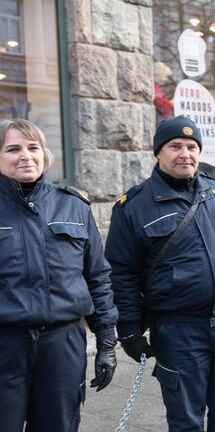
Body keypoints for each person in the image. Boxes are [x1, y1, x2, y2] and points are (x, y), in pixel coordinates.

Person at [105, 115, 215, 431]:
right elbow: (121, 274)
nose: (185, 153)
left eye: (191, 146)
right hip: (178, 332)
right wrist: (129, 330)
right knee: (186, 419)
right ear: (158, 152)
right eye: (175, 146)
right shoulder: (134, 206)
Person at [0, 119, 118, 432]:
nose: (25, 156)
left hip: (62, 346)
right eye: (13, 149)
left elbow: (97, 277)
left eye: (33, 147)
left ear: (44, 155)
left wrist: (106, 341)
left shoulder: (73, 206)